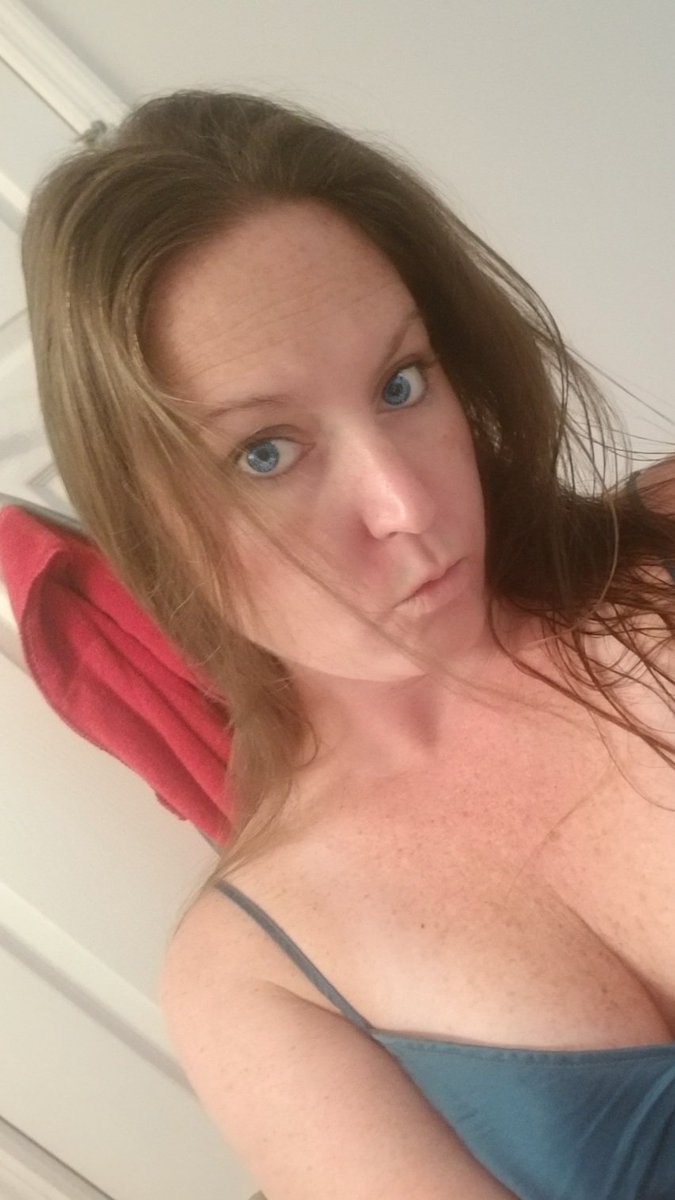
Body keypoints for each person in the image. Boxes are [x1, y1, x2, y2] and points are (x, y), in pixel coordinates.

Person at [21, 89, 675, 1200]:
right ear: (148, 517)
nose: (404, 505)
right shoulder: (257, 976)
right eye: (265, 453)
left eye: (400, 383)